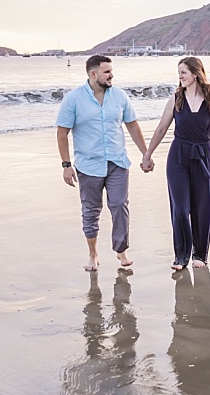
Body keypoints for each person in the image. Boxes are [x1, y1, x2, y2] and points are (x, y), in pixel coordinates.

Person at [57, 55, 149, 272]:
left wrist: (146, 154)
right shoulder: (73, 99)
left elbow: (133, 126)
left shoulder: (119, 96)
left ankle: (121, 249)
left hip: (117, 161)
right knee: (91, 210)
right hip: (88, 165)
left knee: (119, 205)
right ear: (93, 74)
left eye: (111, 71)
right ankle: (93, 253)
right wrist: (66, 165)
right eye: (107, 71)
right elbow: (62, 133)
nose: (111, 75)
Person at [141, 56, 210, 270]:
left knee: (201, 207)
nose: (180, 76)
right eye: (179, 73)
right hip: (178, 155)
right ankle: (181, 255)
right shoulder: (176, 99)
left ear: (195, 74)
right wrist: (148, 154)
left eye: (183, 72)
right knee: (180, 207)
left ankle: (200, 254)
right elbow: (162, 128)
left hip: (202, 155)